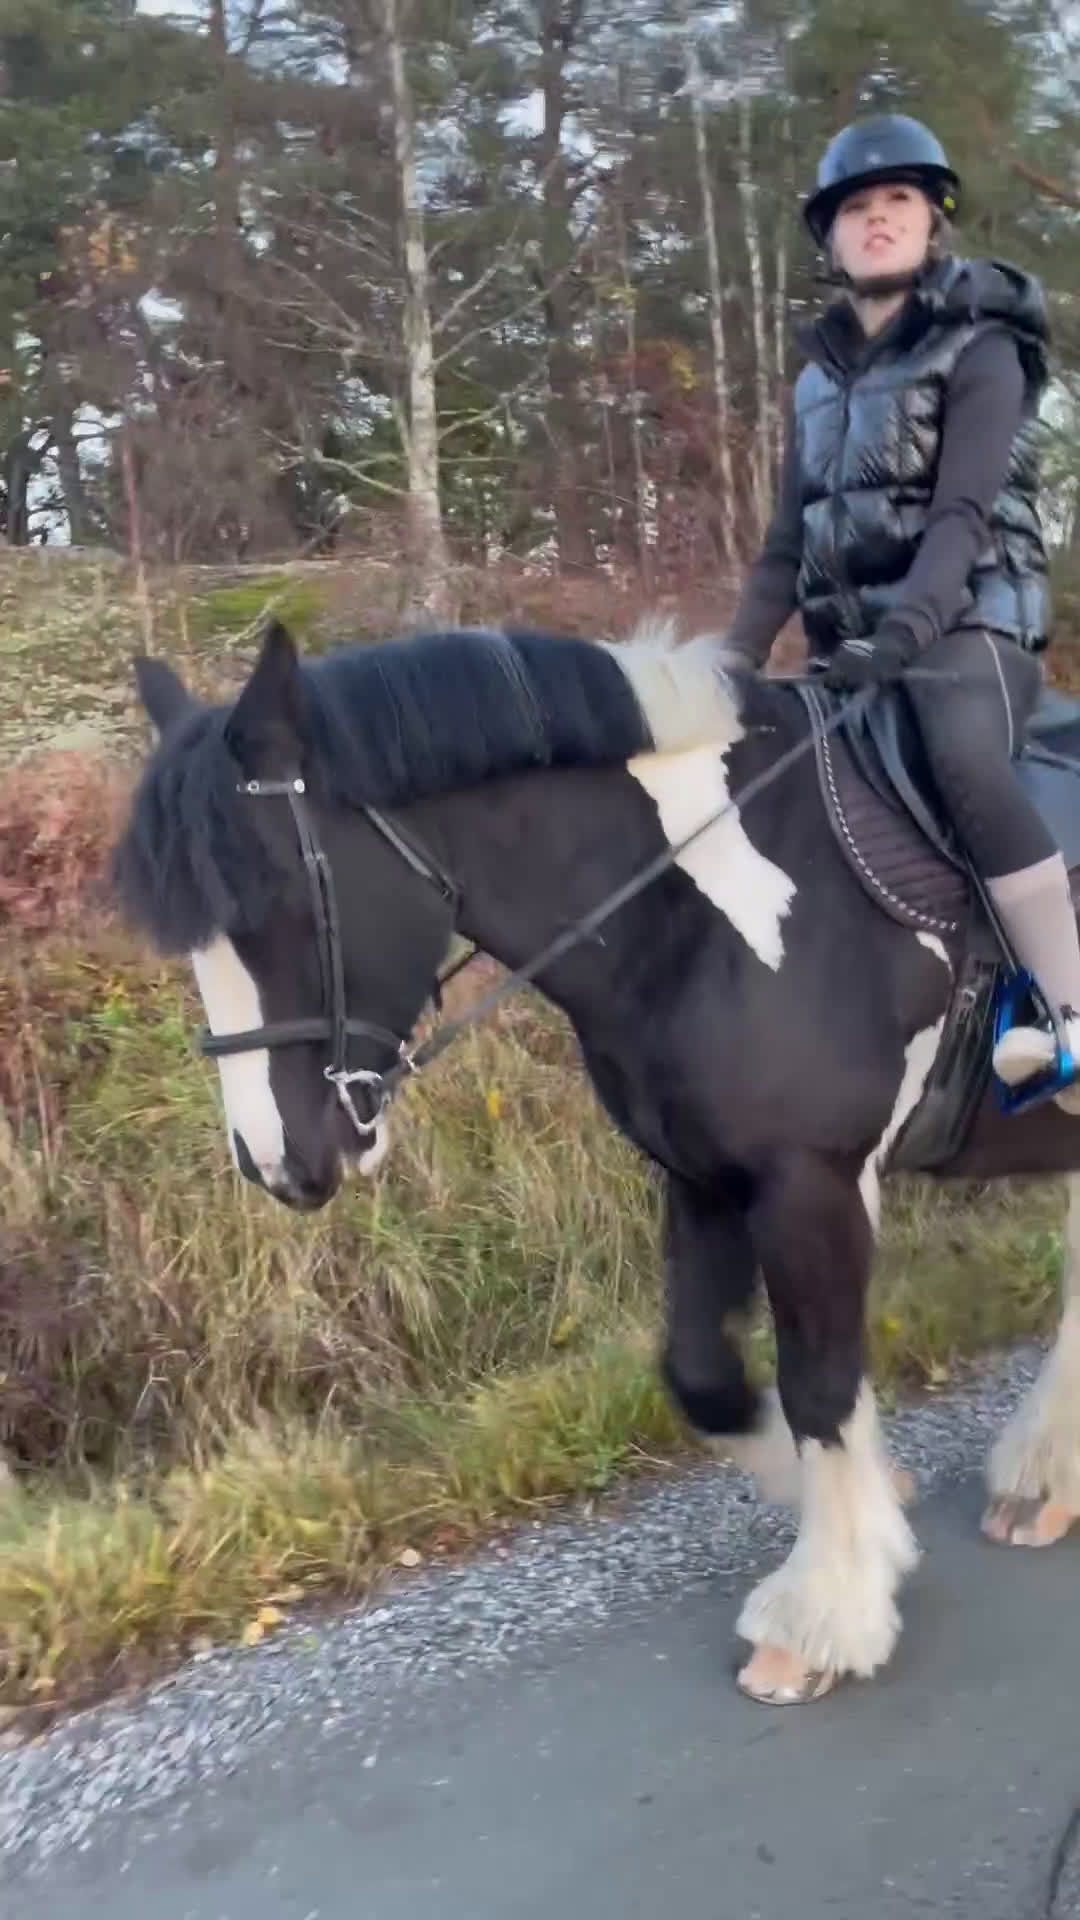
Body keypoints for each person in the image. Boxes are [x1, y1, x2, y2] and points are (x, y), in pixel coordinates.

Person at [724, 111, 1080, 1092]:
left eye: (898, 201)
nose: (877, 218)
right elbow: (785, 547)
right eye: (856, 208)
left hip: (971, 631)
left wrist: (909, 632)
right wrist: (725, 665)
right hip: (853, 650)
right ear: (831, 240)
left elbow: (963, 513)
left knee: (958, 749)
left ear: (933, 222)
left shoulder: (984, 348)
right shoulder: (815, 384)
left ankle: (1066, 1006)